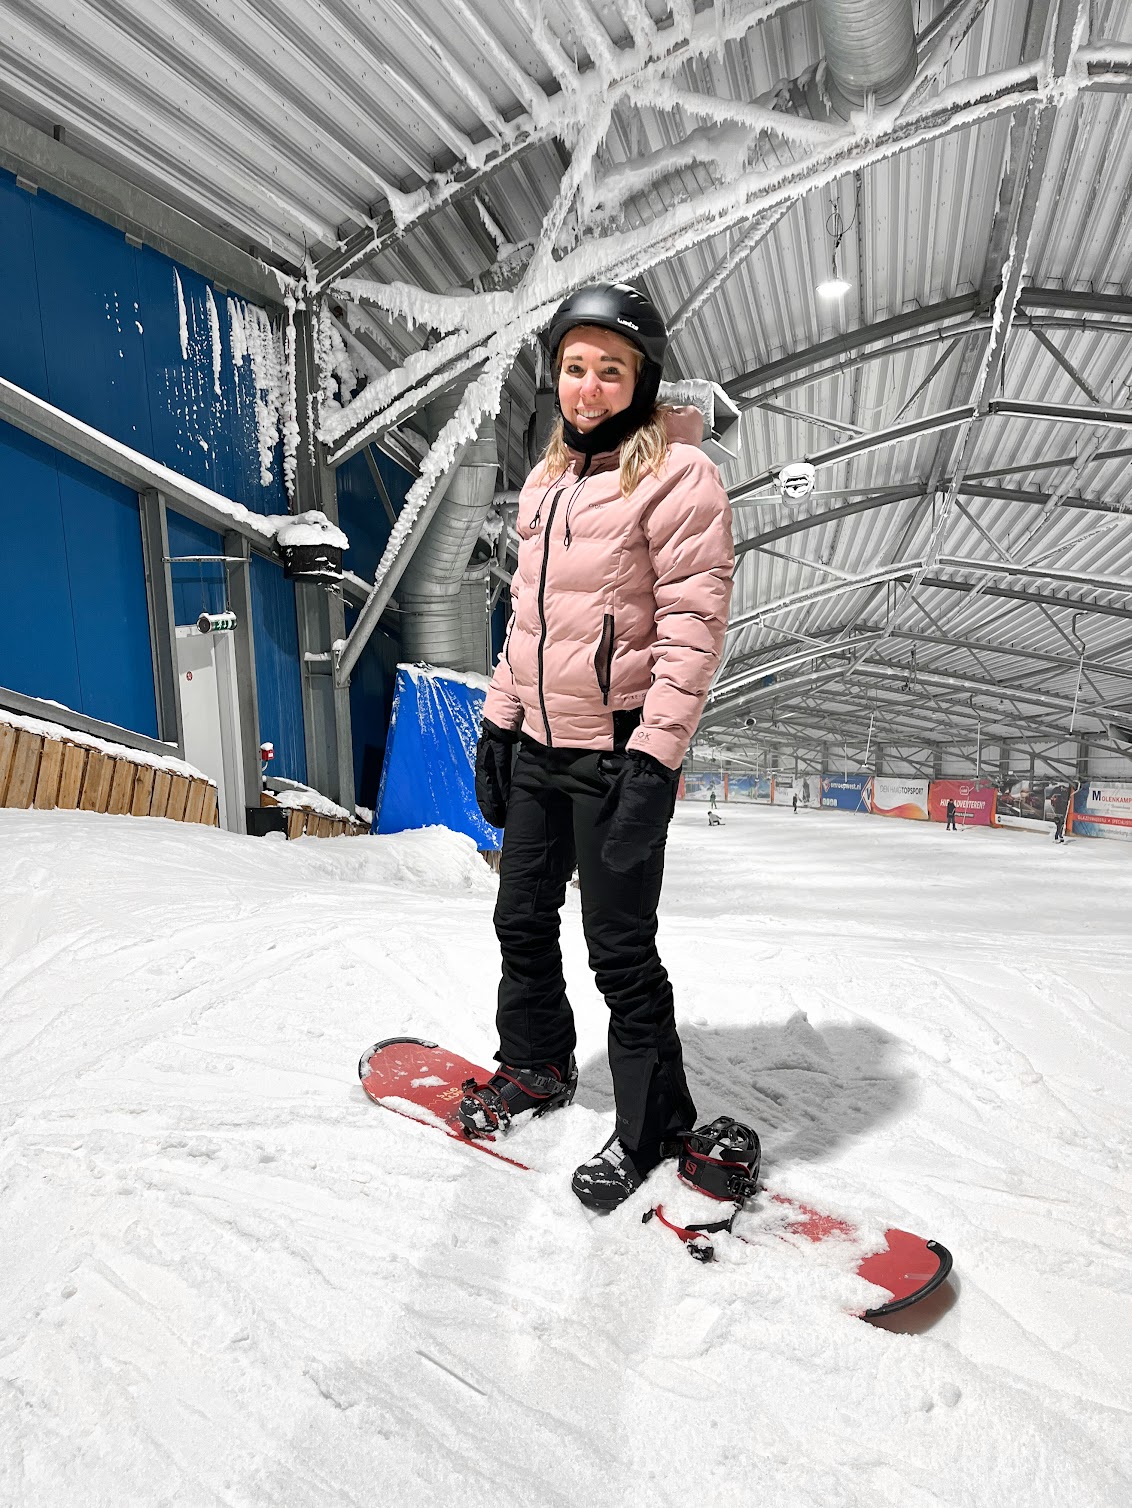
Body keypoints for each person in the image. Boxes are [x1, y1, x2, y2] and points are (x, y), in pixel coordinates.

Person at [469, 283, 734, 1212]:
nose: (587, 387)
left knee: (619, 950)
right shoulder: (547, 482)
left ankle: (656, 1124)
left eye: (608, 370)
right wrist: (500, 722)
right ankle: (537, 1063)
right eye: (574, 368)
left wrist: (656, 762)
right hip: (541, 748)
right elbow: (526, 624)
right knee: (520, 921)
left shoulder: (679, 477)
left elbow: (692, 630)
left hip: (618, 752)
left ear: (641, 378)